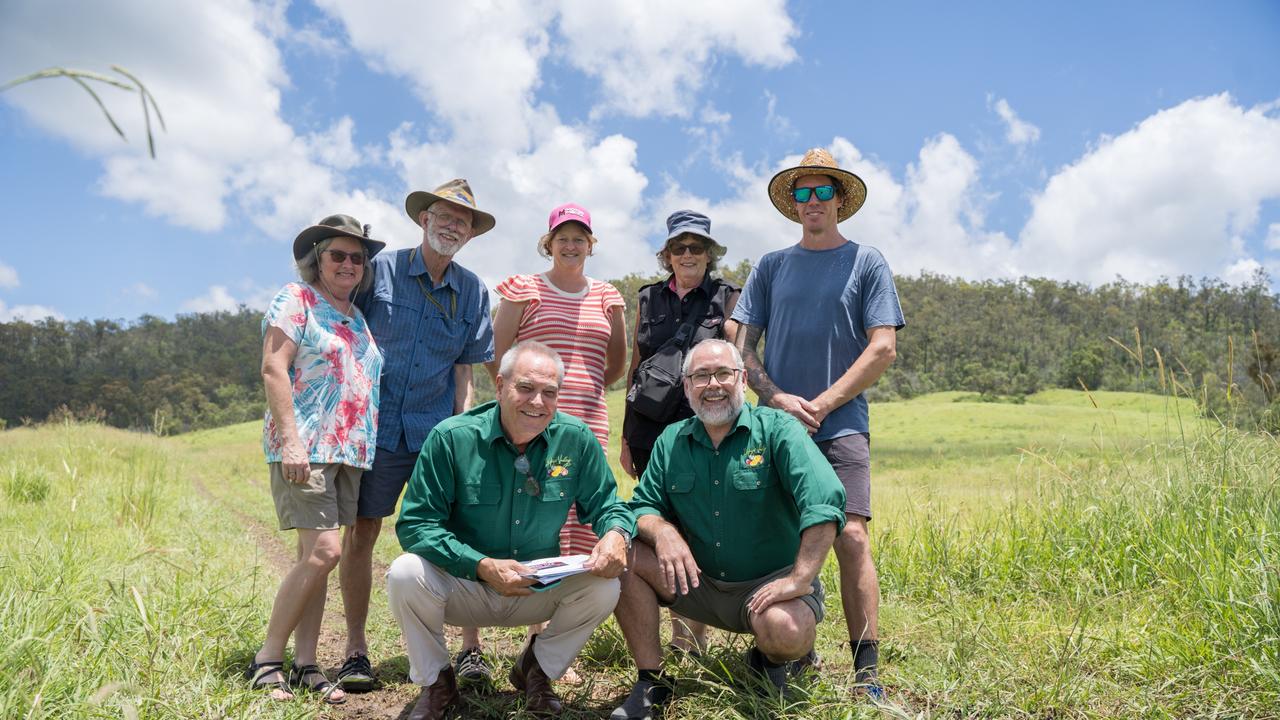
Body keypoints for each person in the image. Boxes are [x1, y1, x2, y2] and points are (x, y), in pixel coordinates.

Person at [730, 147, 905, 695]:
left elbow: (883, 347)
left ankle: (866, 671)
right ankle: (785, 651)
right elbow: (742, 345)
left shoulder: (866, 262)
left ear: (839, 200)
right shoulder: (771, 266)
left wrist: (824, 403)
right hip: (774, 426)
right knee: (776, 539)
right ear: (793, 204)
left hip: (842, 421)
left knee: (850, 536)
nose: (812, 201)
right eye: (802, 193)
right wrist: (777, 398)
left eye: (821, 191)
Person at [386, 341, 635, 720]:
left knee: (605, 586)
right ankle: (439, 683)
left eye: (549, 393)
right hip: (465, 585)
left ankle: (537, 672)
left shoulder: (575, 438)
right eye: (526, 388)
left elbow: (607, 504)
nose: (537, 402)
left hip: (536, 586)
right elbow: (416, 524)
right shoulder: (451, 438)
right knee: (405, 573)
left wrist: (616, 532)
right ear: (500, 386)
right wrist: (481, 564)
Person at [610, 339, 845, 718]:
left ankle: (770, 661)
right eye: (700, 376)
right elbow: (642, 507)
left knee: (787, 630)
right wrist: (664, 531)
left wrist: (800, 579)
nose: (713, 384)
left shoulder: (778, 430)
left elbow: (824, 499)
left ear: (743, 380)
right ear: (686, 387)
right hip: (698, 583)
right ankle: (651, 682)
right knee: (625, 557)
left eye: (723, 373)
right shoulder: (672, 440)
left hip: (769, 586)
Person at [450, 203, 626, 682]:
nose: (572, 245)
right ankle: (471, 647)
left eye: (581, 237)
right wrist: (518, 401)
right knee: (487, 518)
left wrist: (579, 392)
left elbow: (614, 365)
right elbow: (496, 353)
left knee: (573, 533)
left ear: (592, 244)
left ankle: (541, 648)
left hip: (585, 425)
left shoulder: (608, 297)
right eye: (562, 237)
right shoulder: (523, 289)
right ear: (548, 243)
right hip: (524, 423)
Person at [336, 179, 496, 692]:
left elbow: (465, 370)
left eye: (463, 221)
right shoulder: (378, 269)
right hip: (374, 430)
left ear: (470, 234)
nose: (452, 225)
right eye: (443, 215)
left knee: (462, 533)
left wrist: (462, 430)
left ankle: (471, 649)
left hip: (435, 435)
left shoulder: (473, 290)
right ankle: (356, 649)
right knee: (362, 533)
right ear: (423, 219)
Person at [246, 214, 386, 704]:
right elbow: (273, 367)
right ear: (317, 259)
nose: (348, 264)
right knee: (325, 552)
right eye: (337, 255)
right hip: (307, 448)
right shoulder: (297, 298)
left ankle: (306, 664)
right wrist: (291, 441)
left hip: (349, 454)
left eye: (357, 257)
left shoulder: (356, 315)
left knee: (318, 560)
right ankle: (267, 659)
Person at [620, 209, 739, 656]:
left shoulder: (728, 297)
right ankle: (677, 642)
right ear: (666, 255)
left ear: (710, 254)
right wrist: (628, 436)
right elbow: (635, 368)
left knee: (701, 526)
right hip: (652, 434)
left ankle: (696, 636)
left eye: (696, 247)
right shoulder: (649, 299)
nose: (688, 255)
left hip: (704, 430)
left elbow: (738, 362)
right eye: (679, 248)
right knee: (661, 527)